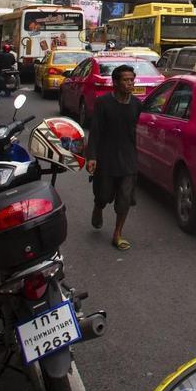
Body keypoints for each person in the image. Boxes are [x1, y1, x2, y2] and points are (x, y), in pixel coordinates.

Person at [84, 64, 140, 251]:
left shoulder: (136, 105)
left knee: (124, 198)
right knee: (103, 194)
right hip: (106, 157)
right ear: (115, 82)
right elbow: (96, 131)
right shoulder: (103, 103)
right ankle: (98, 207)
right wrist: (92, 156)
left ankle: (117, 234)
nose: (130, 83)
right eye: (126, 80)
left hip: (128, 159)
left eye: (132, 80)